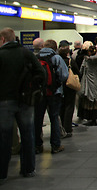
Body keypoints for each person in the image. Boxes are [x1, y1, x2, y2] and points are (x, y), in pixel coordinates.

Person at [0, 28, 45, 182]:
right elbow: (41, 73)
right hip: (26, 101)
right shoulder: (26, 53)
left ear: (3, 39)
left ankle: (2, 173)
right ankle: (28, 169)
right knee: (28, 134)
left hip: (5, 100)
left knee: (4, 137)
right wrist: (31, 88)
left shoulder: (1, 55)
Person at [34, 39, 69, 154]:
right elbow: (64, 75)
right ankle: (55, 145)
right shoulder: (56, 58)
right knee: (54, 118)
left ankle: (37, 145)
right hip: (54, 93)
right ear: (55, 48)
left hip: (39, 93)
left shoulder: (36, 58)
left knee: (38, 119)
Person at [58, 41, 80, 138]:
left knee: (61, 107)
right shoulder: (70, 61)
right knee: (69, 106)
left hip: (59, 86)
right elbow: (77, 72)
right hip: (70, 87)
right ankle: (67, 128)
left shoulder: (56, 60)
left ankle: (61, 127)